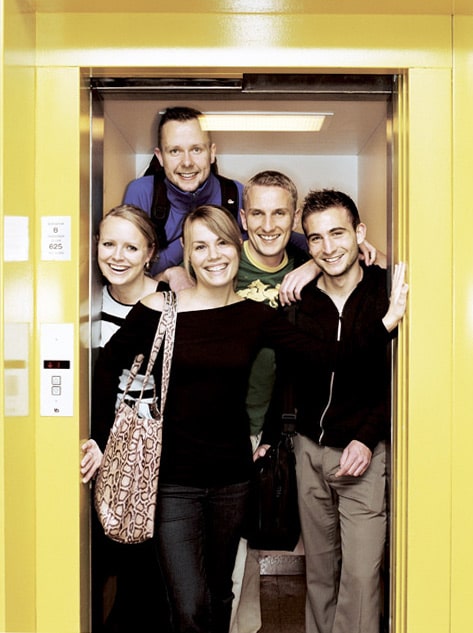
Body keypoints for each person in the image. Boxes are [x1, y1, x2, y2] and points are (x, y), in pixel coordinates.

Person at [81, 205, 406, 633]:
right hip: (172, 481)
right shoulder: (160, 305)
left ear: (237, 248)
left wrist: (387, 321)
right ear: (187, 256)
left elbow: (328, 356)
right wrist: (98, 439)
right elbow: (107, 370)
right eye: (200, 246)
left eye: (221, 243)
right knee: (190, 603)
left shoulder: (255, 317)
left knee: (219, 592)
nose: (213, 255)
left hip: (233, 479)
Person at [261, 189, 408, 633]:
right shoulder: (300, 302)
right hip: (309, 450)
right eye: (316, 239)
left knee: (361, 576)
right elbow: (288, 374)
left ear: (359, 233)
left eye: (338, 234)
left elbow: (394, 378)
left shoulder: (387, 291)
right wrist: (269, 438)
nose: (329, 248)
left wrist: (367, 435)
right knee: (320, 573)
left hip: (364, 451)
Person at [81, 204, 169, 633]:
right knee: (93, 570)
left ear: (150, 252)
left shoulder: (171, 307)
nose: (117, 256)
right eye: (108, 243)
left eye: (131, 246)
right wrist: (97, 440)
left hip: (151, 461)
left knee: (145, 582)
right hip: (100, 457)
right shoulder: (86, 306)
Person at [123, 105, 244, 282]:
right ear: (160, 157)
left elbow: (268, 241)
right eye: (175, 151)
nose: (187, 162)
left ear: (211, 153)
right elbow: (128, 266)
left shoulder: (233, 193)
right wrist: (170, 273)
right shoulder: (142, 193)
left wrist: (302, 268)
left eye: (196, 149)